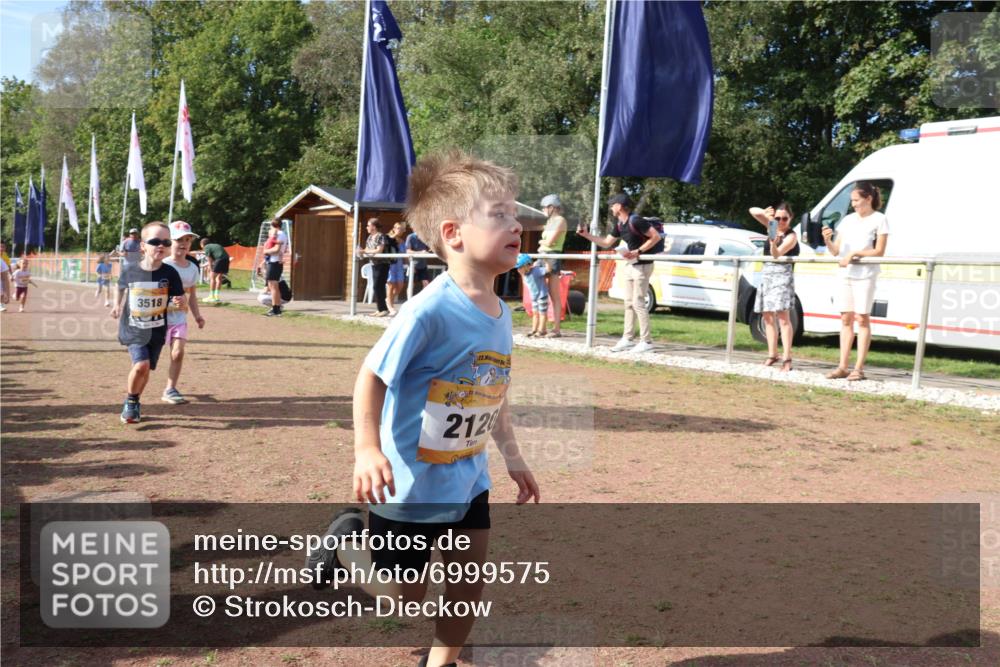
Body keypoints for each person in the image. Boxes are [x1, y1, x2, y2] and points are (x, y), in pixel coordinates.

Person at [308, 150, 540, 667]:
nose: (516, 224)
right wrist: (367, 450)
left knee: (466, 583)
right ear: (454, 233)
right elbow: (371, 377)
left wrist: (513, 457)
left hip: (468, 478)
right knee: (404, 597)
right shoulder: (427, 310)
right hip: (409, 484)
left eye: (515, 214)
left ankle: (439, 661)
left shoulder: (501, 310)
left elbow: (491, 389)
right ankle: (349, 545)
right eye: (499, 214)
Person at [110, 222, 186, 424]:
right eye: (155, 241)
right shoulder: (131, 270)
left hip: (157, 330)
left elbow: (181, 301)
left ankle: (135, 401)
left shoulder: (170, 273)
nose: (161, 245)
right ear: (143, 246)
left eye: (165, 242)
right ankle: (131, 401)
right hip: (134, 328)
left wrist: (180, 302)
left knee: (146, 369)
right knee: (141, 365)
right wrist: (117, 305)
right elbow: (120, 287)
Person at [576, 193, 661, 353]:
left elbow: (655, 237)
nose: (610, 207)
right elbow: (607, 242)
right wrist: (586, 235)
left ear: (620, 206)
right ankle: (628, 338)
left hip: (642, 266)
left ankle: (647, 341)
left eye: (612, 204)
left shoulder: (636, 220)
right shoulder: (619, 224)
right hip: (630, 265)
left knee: (638, 302)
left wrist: (638, 251)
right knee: (628, 302)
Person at [822, 181, 890, 381]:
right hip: (845, 273)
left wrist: (854, 254)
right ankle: (842, 366)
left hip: (866, 274)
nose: (853, 204)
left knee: (862, 318)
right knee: (845, 318)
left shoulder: (880, 219)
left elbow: (879, 251)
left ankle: (858, 368)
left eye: (856, 200)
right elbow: (836, 251)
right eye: (852, 201)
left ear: (868, 199)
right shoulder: (848, 220)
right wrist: (827, 240)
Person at [748, 202, 800, 371]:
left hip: (782, 276)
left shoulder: (791, 236)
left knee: (783, 318)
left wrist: (773, 243)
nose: (781, 221)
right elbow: (752, 210)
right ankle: (772, 353)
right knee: (768, 316)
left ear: (790, 218)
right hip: (767, 275)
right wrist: (767, 214)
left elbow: (776, 254)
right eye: (778, 218)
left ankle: (787, 357)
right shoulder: (772, 226)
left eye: (784, 218)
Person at [162, 220, 206, 405]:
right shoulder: (161, 264)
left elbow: (192, 294)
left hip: (179, 318)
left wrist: (197, 315)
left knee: (178, 353)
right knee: (148, 359)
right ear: (169, 241)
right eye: (179, 239)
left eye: (188, 239)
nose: (184, 243)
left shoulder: (192, 268)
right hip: (158, 318)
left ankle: (170, 389)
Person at [538, 194, 568, 337]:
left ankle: (556, 329)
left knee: (554, 294)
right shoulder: (550, 222)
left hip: (552, 257)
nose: (543, 210)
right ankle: (540, 327)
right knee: (539, 292)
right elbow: (547, 241)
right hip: (543, 256)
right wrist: (543, 243)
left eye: (544, 207)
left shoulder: (560, 221)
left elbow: (549, 242)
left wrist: (541, 243)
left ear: (552, 207)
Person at [359, 218, 391, 316]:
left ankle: (384, 309)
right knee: (376, 286)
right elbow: (368, 249)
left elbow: (379, 250)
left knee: (378, 285)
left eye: (368, 225)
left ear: (373, 226)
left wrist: (365, 251)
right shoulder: (369, 237)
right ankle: (380, 309)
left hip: (383, 264)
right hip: (374, 264)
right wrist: (362, 251)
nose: (367, 227)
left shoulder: (380, 236)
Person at [515, 253, 550, 337]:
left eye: (520, 267)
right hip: (534, 297)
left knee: (542, 313)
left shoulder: (536, 271)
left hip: (542, 296)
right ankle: (534, 329)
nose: (518, 270)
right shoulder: (524, 274)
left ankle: (541, 330)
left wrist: (546, 261)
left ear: (527, 266)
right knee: (535, 313)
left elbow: (548, 270)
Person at [262, 218, 288, 317]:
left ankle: (276, 309)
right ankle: (276, 309)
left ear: (273, 226)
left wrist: (266, 251)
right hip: (275, 263)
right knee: (274, 287)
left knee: (273, 287)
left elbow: (277, 250)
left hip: (274, 263)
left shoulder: (280, 234)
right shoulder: (281, 234)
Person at [386, 221, 408, 316]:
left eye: (401, 229)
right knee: (391, 286)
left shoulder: (402, 241)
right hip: (390, 265)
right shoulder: (388, 237)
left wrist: (409, 264)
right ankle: (390, 307)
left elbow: (405, 255)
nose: (400, 230)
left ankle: (388, 300)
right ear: (394, 228)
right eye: (398, 228)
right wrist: (395, 235)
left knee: (400, 286)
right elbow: (388, 242)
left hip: (399, 265)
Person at [199, 237, 230, 303]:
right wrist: (203, 265)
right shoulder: (214, 246)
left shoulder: (206, 247)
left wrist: (210, 268)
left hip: (220, 259)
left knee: (212, 277)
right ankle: (216, 296)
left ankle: (211, 296)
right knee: (219, 278)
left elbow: (209, 259)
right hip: (226, 259)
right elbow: (214, 260)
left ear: (202, 244)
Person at [404, 228, 433, 292]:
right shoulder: (410, 237)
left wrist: (430, 250)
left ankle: (424, 301)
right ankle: (410, 300)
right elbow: (408, 251)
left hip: (423, 265)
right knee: (411, 284)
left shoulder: (425, 238)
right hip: (413, 265)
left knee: (426, 284)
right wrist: (420, 253)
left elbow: (427, 249)